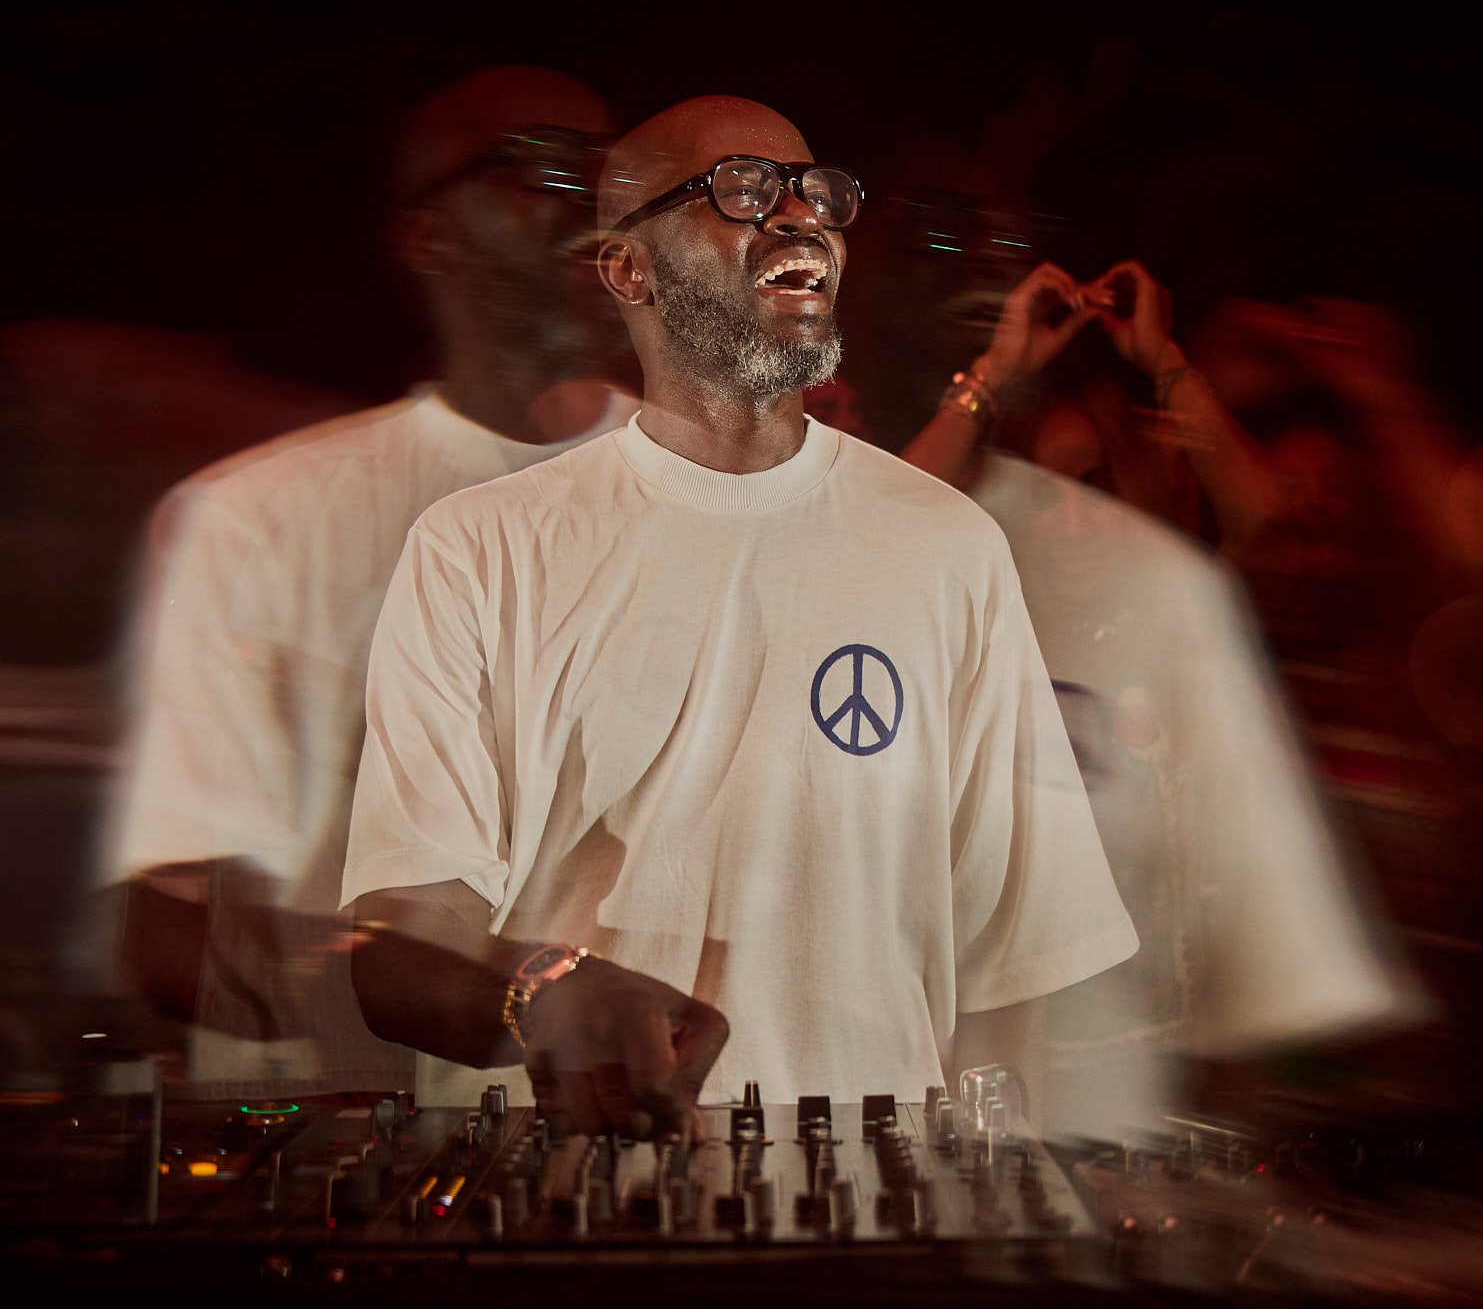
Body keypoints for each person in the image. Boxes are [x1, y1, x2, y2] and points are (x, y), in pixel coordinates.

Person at [343, 97, 1136, 1132]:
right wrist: (535, 984)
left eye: (818, 194)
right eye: (747, 190)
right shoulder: (480, 546)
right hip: (567, 1209)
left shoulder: (949, 545)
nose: (801, 217)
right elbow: (406, 926)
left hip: (864, 1220)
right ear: (627, 268)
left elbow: (1024, 951)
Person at [103, 66, 635, 1102]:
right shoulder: (258, 517)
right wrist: (506, 1008)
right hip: (371, 1180)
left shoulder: (739, 498)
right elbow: (173, 930)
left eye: (616, 171)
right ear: (428, 236)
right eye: (547, 169)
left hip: (697, 1162)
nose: (600, 198)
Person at [853, 175, 1415, 1143]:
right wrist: (993, 370)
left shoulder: (1174, 624)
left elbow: (1265, 524)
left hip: (1133, 1093)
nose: (1067, 513)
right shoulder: (976, 625)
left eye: (1097, 482)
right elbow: (871, 533)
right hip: (965, 1087)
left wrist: (1164, 362)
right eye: (1042, 484)